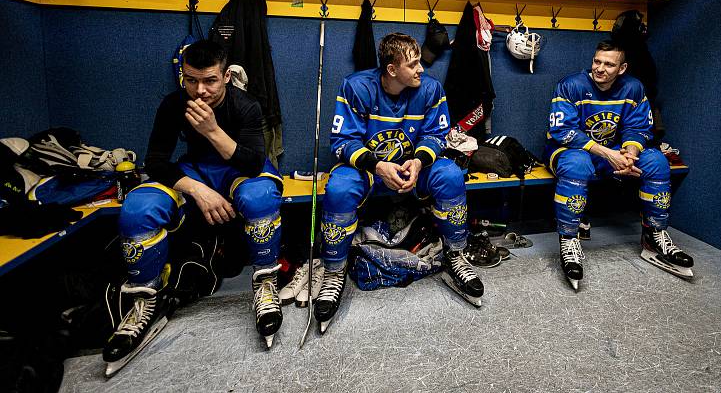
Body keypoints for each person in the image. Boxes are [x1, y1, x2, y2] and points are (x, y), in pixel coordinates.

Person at [103, 40, 283, 376]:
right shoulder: (173, 104)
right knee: (137, 209)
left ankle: (265, 284)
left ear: (226, 76)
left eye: (210, 81)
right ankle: (146, 299)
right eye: (191, 80)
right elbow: (155, 162)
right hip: (195, 171)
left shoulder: (246, 106)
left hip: (237, 169)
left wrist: (212, 130)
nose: (199, 91)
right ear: (182, 76)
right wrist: (199, 191)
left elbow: (254, 161)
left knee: (261, 197)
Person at [314, 32, 483, 333]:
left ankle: (455, 255)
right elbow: (342, 141)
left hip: (410, 168)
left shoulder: (430, 89)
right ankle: (334, 271)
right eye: (414, 64)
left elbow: (436, 135)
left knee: (450, 175)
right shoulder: (356, 87)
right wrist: (378, 167)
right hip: (370, 169)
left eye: (420, 62)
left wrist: (418, 162)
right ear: (392, 70)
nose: (422, 69)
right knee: (339, 186)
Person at [544, 40, 694, 291]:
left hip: (614, 152)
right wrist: (609, 155)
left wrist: (630, 154)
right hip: (570, 151)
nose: (600, 68)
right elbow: (563, 131)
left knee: (656, 160)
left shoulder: (634, 88)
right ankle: (569, 240)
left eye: (609, 64)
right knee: (577, 164)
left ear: (622, 68)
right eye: (597, 61)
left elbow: (638, 128)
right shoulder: (571, 85)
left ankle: (653, 235)